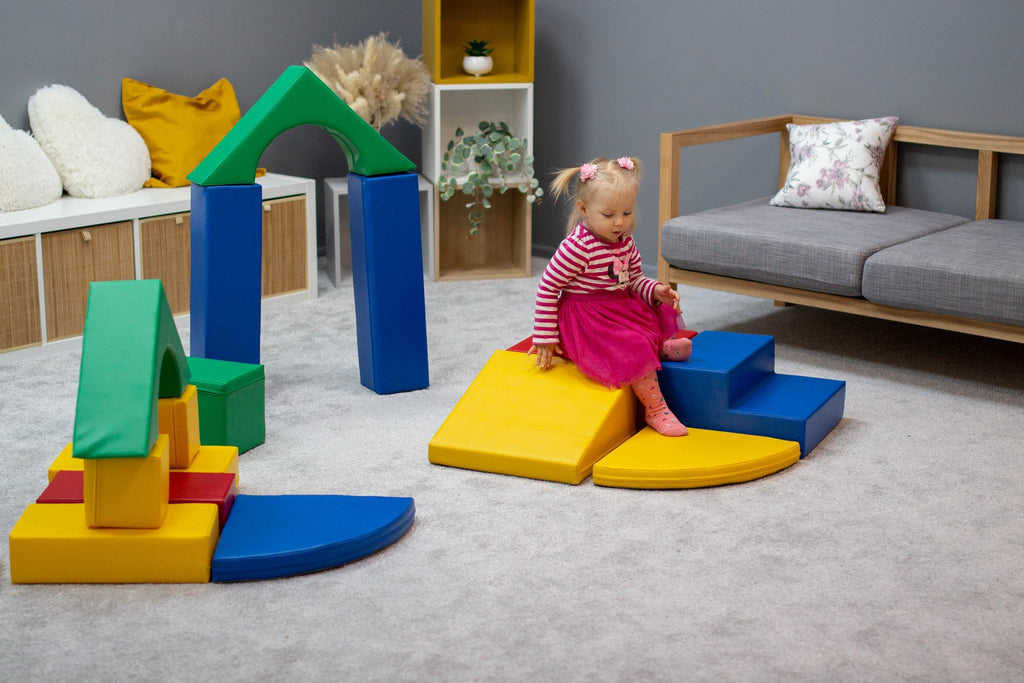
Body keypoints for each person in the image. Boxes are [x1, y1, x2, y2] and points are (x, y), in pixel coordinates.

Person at [529, 156, 692, 437]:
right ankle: (655, 409)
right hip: (588, 320)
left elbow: (635, 279)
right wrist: (545, 336)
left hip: (618, 306)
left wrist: (655, 290)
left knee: (658, 311)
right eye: (609, 215)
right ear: (584, 209)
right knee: (629, 346)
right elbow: (547, 286)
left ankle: (659, 345)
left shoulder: (624, 240)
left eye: (627, 213)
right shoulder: (577, 248)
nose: (620, 222)